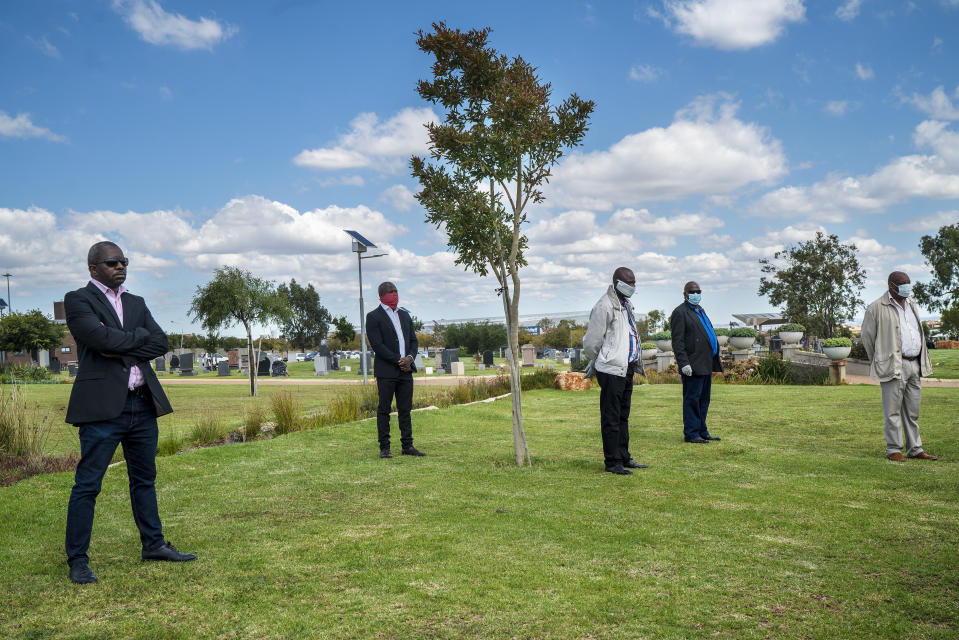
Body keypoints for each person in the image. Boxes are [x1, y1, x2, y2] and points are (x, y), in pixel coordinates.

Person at [63, 241, 196, 585]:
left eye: (124, 261)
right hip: (102, 409)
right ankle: (77, 560)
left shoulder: (135, 302)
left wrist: (117, 340)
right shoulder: (78, 300)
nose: (120, 266)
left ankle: (153, 545)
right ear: (93, 268)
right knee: (88, 485)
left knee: (144, 480)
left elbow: (160, 342)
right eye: (112, 262)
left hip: (142, 404)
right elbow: (96, 339)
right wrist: (132, 340)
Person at [861, 271, 937, 462]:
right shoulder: (876, 308)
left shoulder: (912, 304)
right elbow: (867, 338)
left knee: (912, 411)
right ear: (891, 286)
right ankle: (893, 449)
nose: (907, 287)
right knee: (892, 410)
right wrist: (880, 359)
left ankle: (915, 449)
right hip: (893, 365)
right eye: (903, 284)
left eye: (908, 283)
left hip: (914, 364)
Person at [582, 267, 647, 475]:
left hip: (625, 368)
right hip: (611, 370)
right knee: (611, 416)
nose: (633, 286)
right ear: (617, 282)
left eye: (634, 282)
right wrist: (602, 360)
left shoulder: (626, 305)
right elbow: (592, 342)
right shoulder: (604, 305)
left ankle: (624, 457)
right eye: (629, 283)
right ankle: (612, 462)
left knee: (623, 416)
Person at [365, 281, 424, 458]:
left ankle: (408, 445)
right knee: (384, 409)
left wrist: (410, 358)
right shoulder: (373, 316)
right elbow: (377, 345)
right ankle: (385, 447)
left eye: (396, 291)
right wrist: (397, 360)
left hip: (406, 370)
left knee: (405, 409)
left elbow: (413, 341)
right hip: (387, 371)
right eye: (391, 292)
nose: (395, 294)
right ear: (382, 295)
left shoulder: (405, 315)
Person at [670, 281, 723, 444]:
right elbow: (677, 341)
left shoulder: (700, 310)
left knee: (704, 399)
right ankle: (692, 433)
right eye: (692, 291)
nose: (695, 294)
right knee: (692, 399)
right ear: (685, 294)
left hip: (706, 362)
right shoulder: (680, 312)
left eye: (698, 291)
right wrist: (683, 363)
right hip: (692, 364)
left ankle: (702, 430)